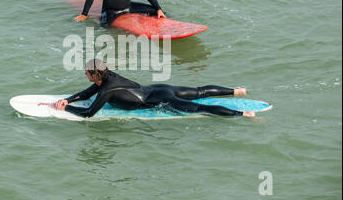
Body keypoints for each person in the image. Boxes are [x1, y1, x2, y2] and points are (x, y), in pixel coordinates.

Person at [49, 59, 256, 118]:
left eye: (87, 73)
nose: (85, 75)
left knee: (203, 108)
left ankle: (243, 113)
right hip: (160, 88)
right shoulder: (109, 76)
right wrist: (68, 99)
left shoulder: (106, 91)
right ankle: (235, 91)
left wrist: (64, 108)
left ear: (95, 75)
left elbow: (88, 113)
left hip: (163, 100)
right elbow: (88, 92)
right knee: (199, 91)